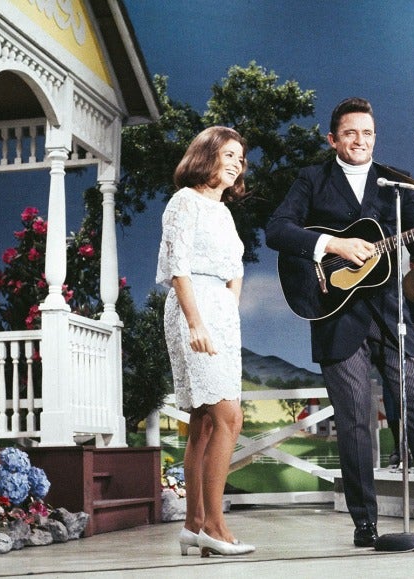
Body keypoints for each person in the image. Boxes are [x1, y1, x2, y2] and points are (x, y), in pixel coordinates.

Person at [265, 97, 414, 547]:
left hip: (394, 315)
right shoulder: (313, 179)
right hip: (335, 312)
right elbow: (277, 230)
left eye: (367, 133)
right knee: (353, 421)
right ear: (333, 139)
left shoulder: (400, 187)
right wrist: (333, 245)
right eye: (350, 133)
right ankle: (365, 523)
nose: (360, 141)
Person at [156, 126, 255, 557]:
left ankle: (193, 524)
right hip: (192, 308)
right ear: (205, 155)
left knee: (205, 422)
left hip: (221, 314)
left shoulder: (224, 213)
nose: (235, 163)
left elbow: (236, 271)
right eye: (227, 155)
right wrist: (196, 323)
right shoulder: (185, 202)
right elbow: (178, 266)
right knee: (229, 417)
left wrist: (227, 313)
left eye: (240, 158)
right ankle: (215, 527)